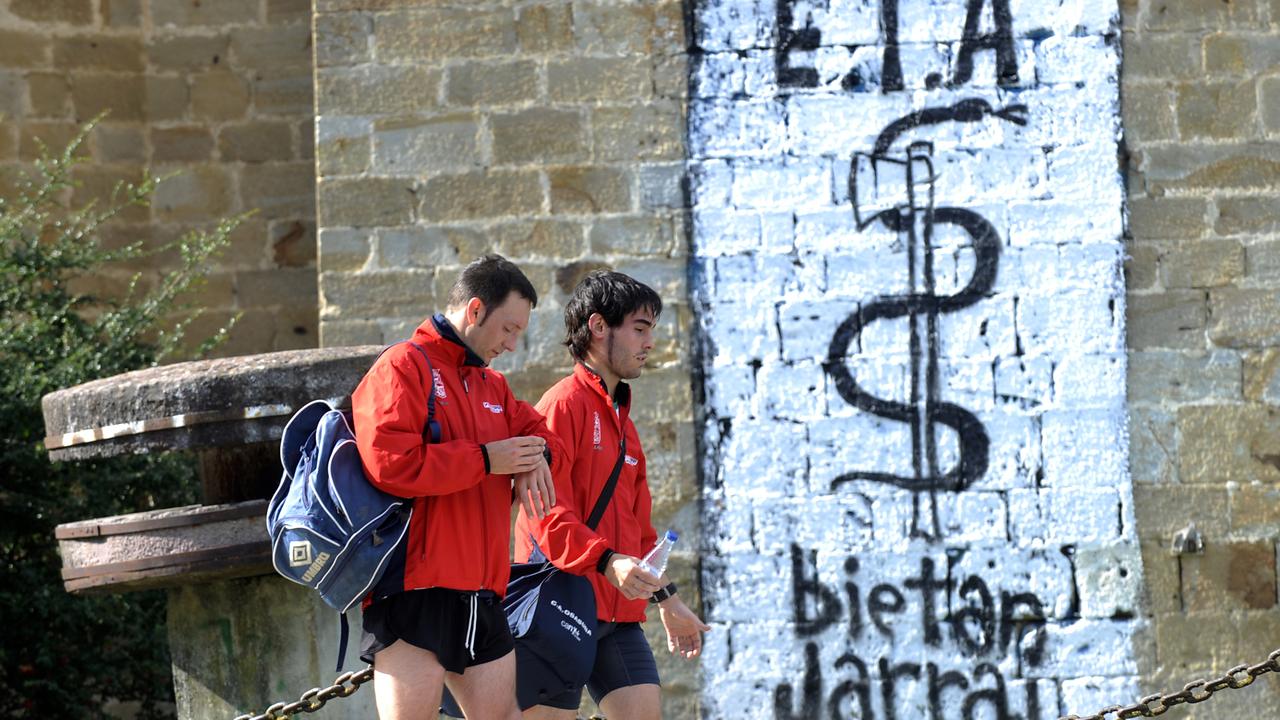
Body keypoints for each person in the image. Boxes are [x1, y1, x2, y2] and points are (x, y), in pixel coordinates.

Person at [351, 254, 564, 720]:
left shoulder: (493, 386)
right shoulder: (403, 365)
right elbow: (389, 464)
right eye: (508, 329)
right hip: (414, 591)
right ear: (474, 310)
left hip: (483, 591)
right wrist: (487, 460)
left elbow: (546, 434)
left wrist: (534, 459)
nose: (511, 345)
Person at [513, 270, 710, 720]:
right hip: (558, 603)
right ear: (599, 327)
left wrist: (668, 601)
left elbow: (639, 533)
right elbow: (546, 513)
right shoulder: (562, 405)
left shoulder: (625, 423)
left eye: (650, 331)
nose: (649, 343)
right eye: (640, 329)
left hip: (617, 615)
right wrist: (606, 561)